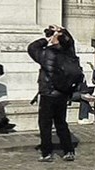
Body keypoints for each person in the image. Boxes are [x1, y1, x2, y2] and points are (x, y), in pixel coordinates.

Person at [28, 26, 83, 162]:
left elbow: (32, 48)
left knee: (45, 125)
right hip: (63, 93)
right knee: (61, 123)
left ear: (55, 40)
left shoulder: (48, 54)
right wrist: (63, 31)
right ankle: (68, 151)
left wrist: (45, 39)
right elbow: (71, 42)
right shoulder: (69, 53)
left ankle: (47, 153)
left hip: (48, 93)